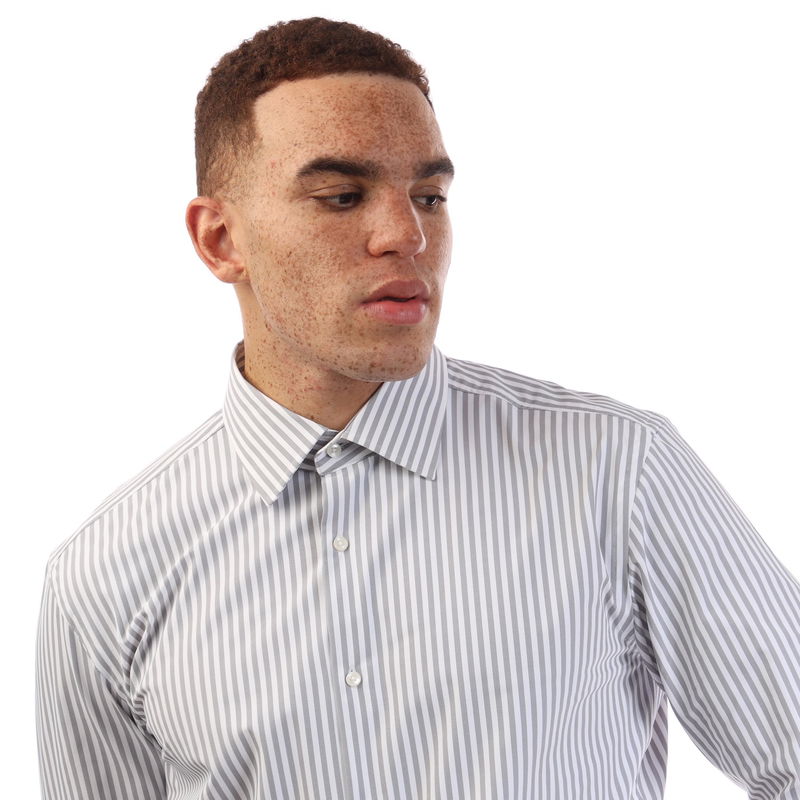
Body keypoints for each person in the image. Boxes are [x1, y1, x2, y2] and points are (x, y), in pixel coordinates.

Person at [35, 17, 800, 800]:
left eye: (429, 196)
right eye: (342, 197)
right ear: (220, 239)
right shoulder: (103, 576)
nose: (408, 235)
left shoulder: (618, 470)